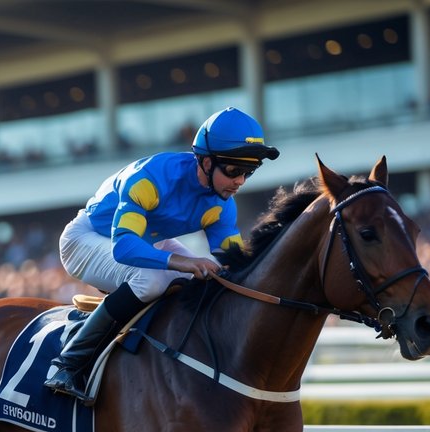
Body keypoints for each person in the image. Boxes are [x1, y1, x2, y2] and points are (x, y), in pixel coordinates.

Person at [44, 107, 280, 400]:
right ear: (206, 162)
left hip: (150, 242)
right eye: (233, 170)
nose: (240, 181)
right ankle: (68, 363)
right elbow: (125, 246)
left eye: (248, 172)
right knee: (153, 279)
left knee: (207, 280)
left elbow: (233, 264)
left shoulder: (222, 204)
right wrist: (186, 260)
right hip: (87, 238)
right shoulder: (151, 179)